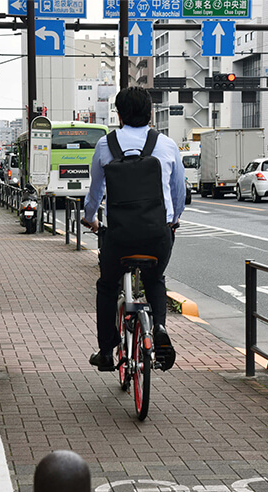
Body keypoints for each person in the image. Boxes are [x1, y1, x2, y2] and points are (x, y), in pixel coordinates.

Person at [82, 86, 186, 372]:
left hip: (119, 236)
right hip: (157, 235)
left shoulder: (106, 145)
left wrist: (90, 218)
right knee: (155, 279)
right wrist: (173, 219)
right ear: (151, 113)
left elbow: (95, 192)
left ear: (119, 114)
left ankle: (106, 350)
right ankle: (160, 328)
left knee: (107, 286)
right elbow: (179, 192)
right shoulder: (166, 144)